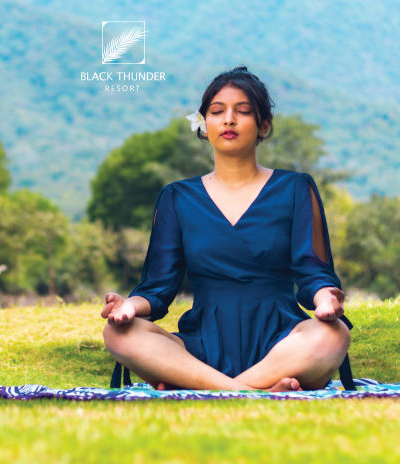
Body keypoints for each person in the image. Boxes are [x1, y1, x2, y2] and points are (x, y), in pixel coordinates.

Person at [100, 66, 350, 392]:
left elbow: (312, 270)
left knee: (333, 334)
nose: (228, 120)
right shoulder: (177, 197)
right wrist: (129, 306)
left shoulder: (295, 188)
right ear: (205, 124)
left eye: (242, 111)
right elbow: (158, 289)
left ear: (263, 125)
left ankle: (202, 389)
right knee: (117, 333)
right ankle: (251, 390)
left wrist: (325, 298)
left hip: (282, 341)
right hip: (202, 345)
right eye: (217, 112)